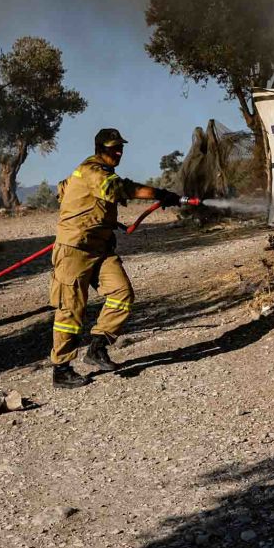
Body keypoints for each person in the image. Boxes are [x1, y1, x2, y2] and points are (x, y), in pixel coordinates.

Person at [48, 128, 179, 388]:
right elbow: (118, 189)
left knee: (122, 294)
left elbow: (63, 190)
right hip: (75, 250)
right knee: (70, 310)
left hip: (101, 249)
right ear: (100, 149)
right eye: (112, 148)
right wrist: (159, 193)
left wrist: (99, 218)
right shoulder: (92, 171)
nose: (118, 152)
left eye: (120, 147)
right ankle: (61, 369)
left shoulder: (93, 172)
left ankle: (97, 347)